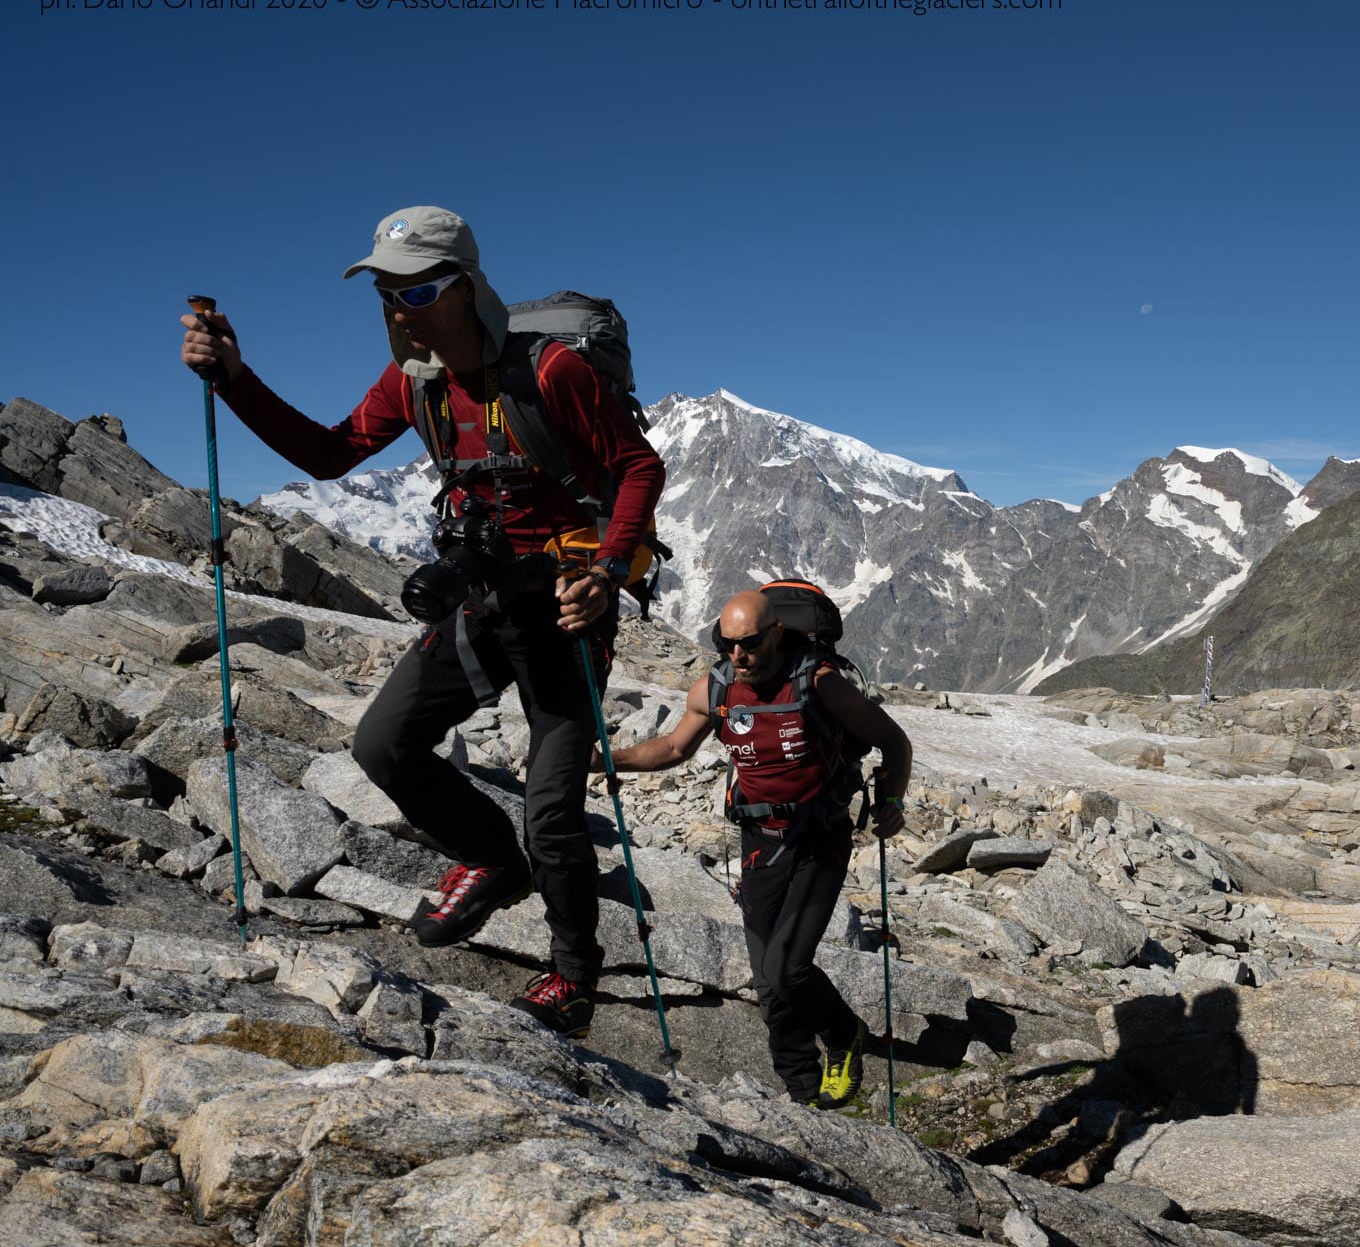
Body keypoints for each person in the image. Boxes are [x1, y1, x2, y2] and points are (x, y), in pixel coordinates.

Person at [179, 206, 665, 1039]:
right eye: (386, 292)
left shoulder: (551, 374)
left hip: (564, 609)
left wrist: (608, 574)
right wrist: (234, 378)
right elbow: (331, 454)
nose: (399, 307)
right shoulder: (414, 382)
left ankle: (573, 980)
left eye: (419, 288)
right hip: (483, 600)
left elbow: (636, 468)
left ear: (469, 288)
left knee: (551, 807)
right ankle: (490, 860)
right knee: (382, 744)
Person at [607, 589, 911, 1107]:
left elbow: (894, 742)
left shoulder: (820, 684)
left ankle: (844, 1037)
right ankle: (803, 1094)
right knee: (770, 987)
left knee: (787, 968)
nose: (738, 656)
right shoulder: (718, 689)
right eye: (727, 644)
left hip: (819, 838)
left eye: (748, 644)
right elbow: (676, 747)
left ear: (775, 634)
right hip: (759, 841)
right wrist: (607, 760)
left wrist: (892, 799)